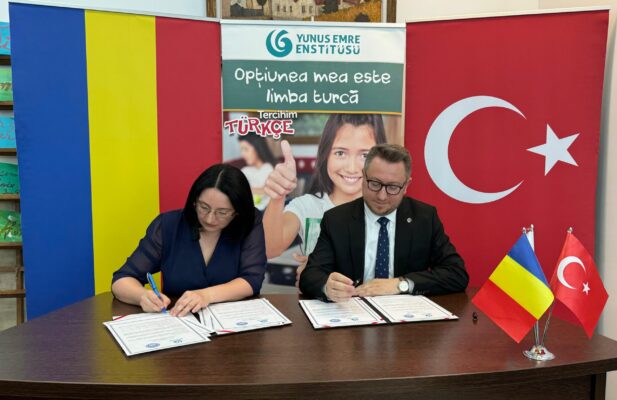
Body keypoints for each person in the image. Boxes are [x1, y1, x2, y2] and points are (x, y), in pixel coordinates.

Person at [299, 144, 468, 302]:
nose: (382, 196)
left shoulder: (424, 218)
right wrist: (327, 287)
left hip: (406, 316)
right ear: (363, 177)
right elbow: (310, 276)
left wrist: (401, 284)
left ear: (406, 186)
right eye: (375, 184)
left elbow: (456, 274)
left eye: (393, 187)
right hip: (352, 313)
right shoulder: (336, 220)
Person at [111, 164, 267, 316]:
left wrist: (206, 295)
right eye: (203, 207)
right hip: (179, 321)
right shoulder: (168, 226)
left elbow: (252, 279)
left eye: (222, 212)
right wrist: (142, 296)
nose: (210, 218)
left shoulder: (249, 222)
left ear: (237, 211)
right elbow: (122, 279)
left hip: (234, 324)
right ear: (194, 200)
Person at [263, 114, 387, 287]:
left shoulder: (390, 210)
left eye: (365, 155)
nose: (352, 168)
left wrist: (316, 271)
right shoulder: (306, 206)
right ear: (325, 154)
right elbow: (269, 249)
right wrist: (277, 197)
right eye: (340, 153)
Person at [238, 134, 277, 209]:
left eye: (246, 149)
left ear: (257, 147)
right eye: (241, 150)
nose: (243, 154)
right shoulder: (245, 171)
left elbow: (266, 191)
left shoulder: (269, 168)